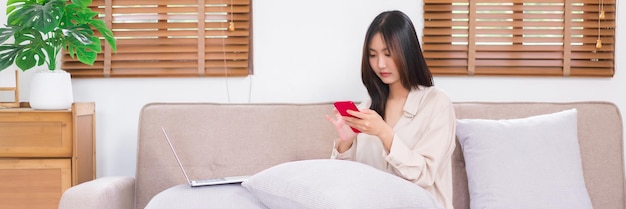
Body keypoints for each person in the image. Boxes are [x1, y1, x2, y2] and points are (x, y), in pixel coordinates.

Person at [326, 10, 456, 209]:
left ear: (407, 51)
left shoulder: (436, 103)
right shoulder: (367, 109)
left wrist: (385, 134)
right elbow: (345, 184)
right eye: (372, 55)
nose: (380, 64)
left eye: (388, 54)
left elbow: (425, 174)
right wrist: (346, 144)